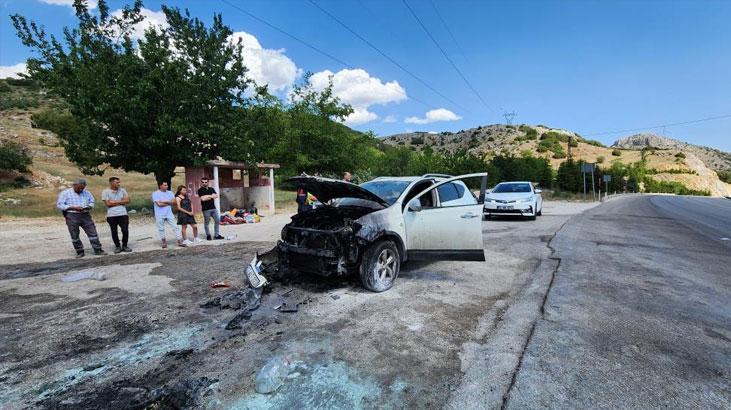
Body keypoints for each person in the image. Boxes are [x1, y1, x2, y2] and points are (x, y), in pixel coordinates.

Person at [56, 177, 106, 257]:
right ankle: (79, 251)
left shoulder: (87, 193)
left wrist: (89, 206)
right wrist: (72, 207)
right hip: (72, 215)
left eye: (82, 188)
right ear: (74, 185)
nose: (80, 190)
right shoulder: (65, 193)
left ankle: (98, 249)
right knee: (74, 234)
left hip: (85, 214)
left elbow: (92, 202)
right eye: (79, 188)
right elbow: (60, 205)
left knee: (92, 232)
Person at [101, 176, 131, 253]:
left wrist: (113, 202)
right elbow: (107, 204)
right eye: (117, 182)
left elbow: (128, 200)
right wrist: (121, 201)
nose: (119, 184)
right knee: (114, 231)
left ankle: (125, 245)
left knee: (125, 230)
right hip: (112, 215)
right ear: (111, 183)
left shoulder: (122, 190)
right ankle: (117, 246)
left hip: (123, 214)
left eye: (119, 182)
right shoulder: (105, 192)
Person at [151, 181, 186, 248]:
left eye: (167, 185)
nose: (166, 186)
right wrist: (169, 203)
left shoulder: (170, 192)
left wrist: (165, 202)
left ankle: (179, 241)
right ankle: (164, 241)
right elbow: (159, 204)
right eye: (165, 185)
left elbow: (174, 202)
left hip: (169, 213)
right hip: (159, 214)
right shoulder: (155, 194)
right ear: (160, 186)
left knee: (175, 227)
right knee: (161, 228)